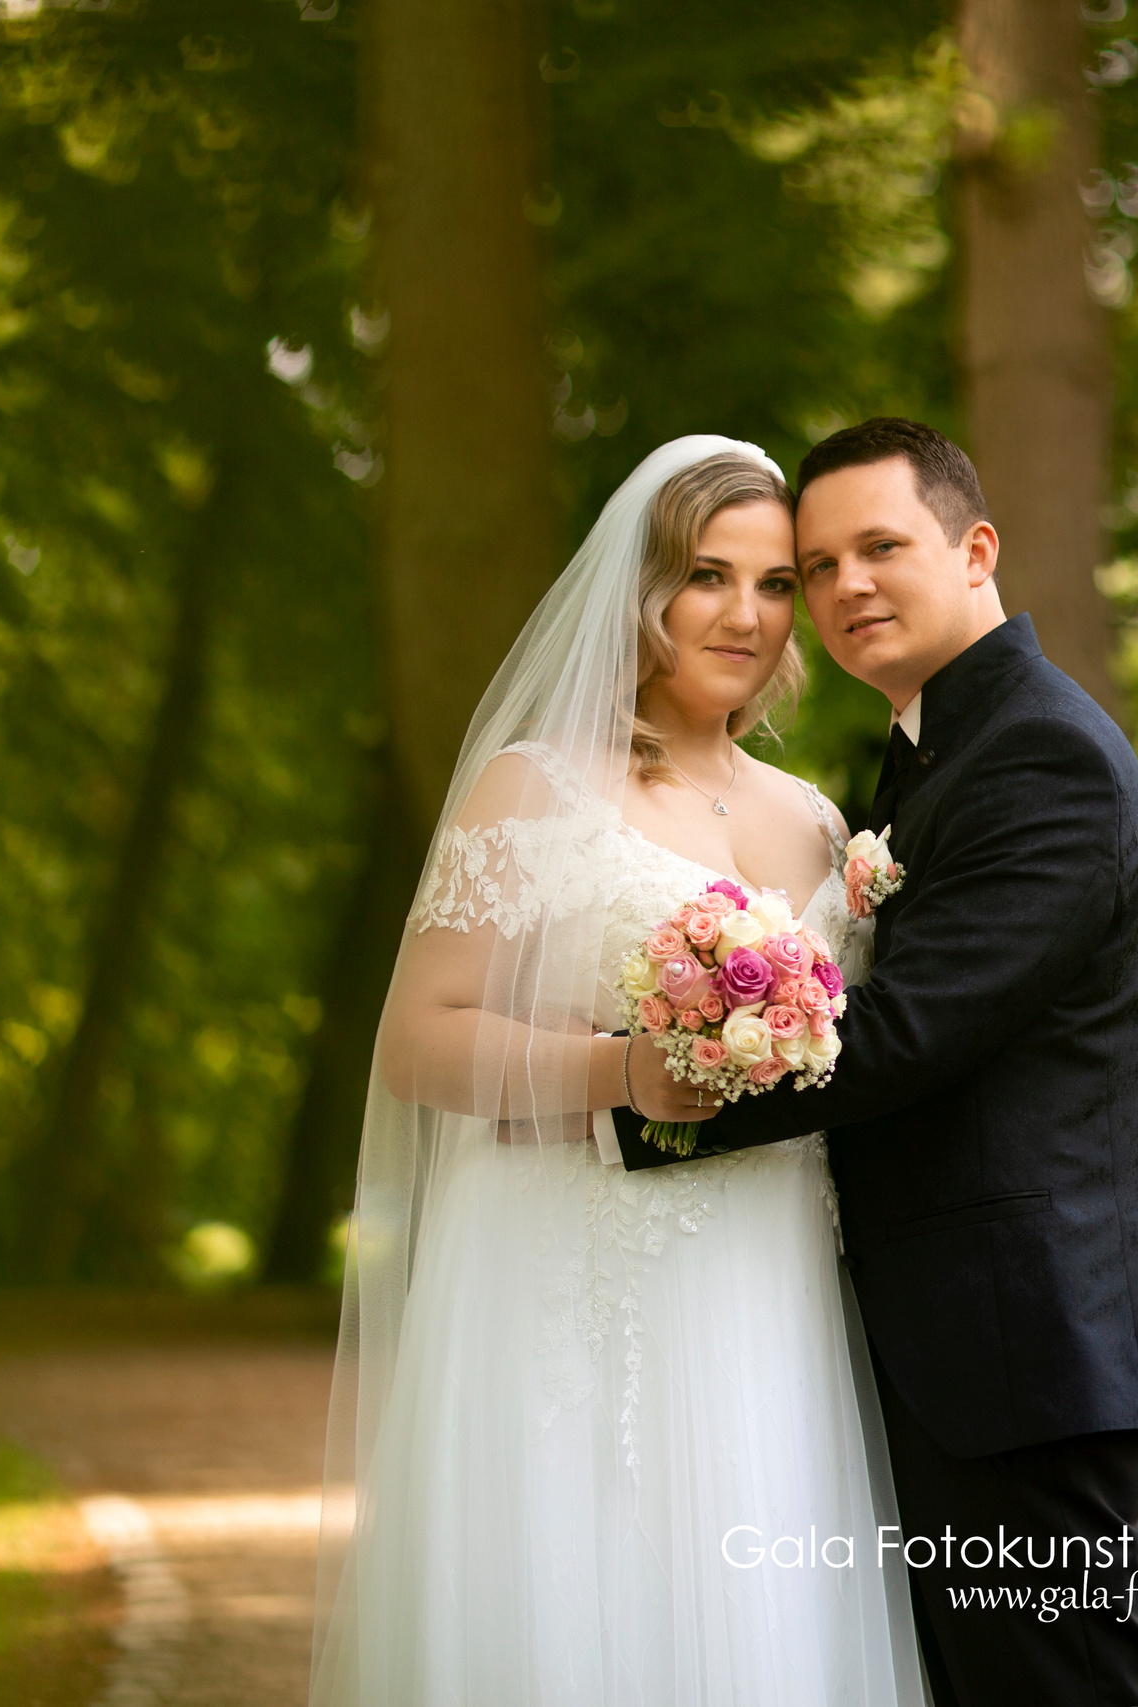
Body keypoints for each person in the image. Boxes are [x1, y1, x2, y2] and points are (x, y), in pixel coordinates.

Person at [607, 418, 1138, 1705]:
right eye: (815, 567)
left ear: (976, 547)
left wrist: (640, 1102)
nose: (844, 590)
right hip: (970, 1344)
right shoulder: (932, 751)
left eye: (879, 547)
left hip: (1029, 1347)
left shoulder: (1038, 755)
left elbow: (902, 1037)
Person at [308, 436, 929, 1706]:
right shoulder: (531, 791)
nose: (744, 615)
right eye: (708, 576)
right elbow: (417, 1037)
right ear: (644, 595)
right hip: (577, 1283)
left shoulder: (815, 817)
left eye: (773, 584)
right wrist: (619, 1068)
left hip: (773, 1285)